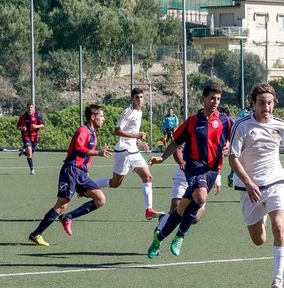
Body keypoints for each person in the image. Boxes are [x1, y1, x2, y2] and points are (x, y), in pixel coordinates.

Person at [228, 83, 284, 288]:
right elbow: (232, 158)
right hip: (249, 188)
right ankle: (261, 216)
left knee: (279, 227)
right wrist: (248, 182)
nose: (266, 107)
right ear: (253, 103)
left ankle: (278, 278)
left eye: (270, 103)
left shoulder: (281, 126)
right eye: (261, 103)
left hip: (276, 182)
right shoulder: (242, 126)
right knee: (259, 240)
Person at [147, 84, 233, 259]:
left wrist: (230, 147)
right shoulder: (192, 121)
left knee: (182, 209)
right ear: (203, 99)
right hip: (193, 166)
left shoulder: (225, 121)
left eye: (218, 98)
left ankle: (159, 237)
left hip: (212, 170)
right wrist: (162, 158)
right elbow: (175, 141)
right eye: (212, 98)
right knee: (200, 197)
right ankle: (180, 236)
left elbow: (235, 140)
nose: (215, 102)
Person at [28, 104, 112, 246]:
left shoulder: (93, 132)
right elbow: (78, 148)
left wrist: (86, 169)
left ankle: (68, 217)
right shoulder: (83, 130)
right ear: (93, 117)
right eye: (101, 116)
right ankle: (36, 234)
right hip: (71, 171)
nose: (103, 119)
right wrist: (98, 152)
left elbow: (83, 155)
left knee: (100, 199)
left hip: (81, 173)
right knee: (62, 205)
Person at [93, 87, 162, 220]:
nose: (139, 100)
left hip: (133, 151)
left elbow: (131, 131)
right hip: (123, 152)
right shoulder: (128, 111)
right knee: (114, 184)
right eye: (137, 97)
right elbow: (117, 131)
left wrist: (139, 141)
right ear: (132, 98)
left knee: (148, 177)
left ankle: (149, 209)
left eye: (141, 97)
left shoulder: (139, 112)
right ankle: (86, 186)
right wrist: (136, 135)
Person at [227, 102, 253, 187]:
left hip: (252, 138)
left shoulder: (259, 110)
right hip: (242, 137)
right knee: (236, 157)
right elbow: (238, 121)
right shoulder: (244, 111)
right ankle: (232, 176)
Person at [16, 102, 45, 175]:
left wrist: (37, 126)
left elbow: (43, 124)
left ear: (33, 108)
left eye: (31, 108)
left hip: (35, 137)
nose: (30, 109)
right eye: (29, 108)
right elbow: (17, 126)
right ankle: (32, 169)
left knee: (31, 153)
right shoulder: (23, 117)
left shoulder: (37, 115)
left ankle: (24, 152)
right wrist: (22, 128)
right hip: (26, 136)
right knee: (29, 150)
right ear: (27, 108)